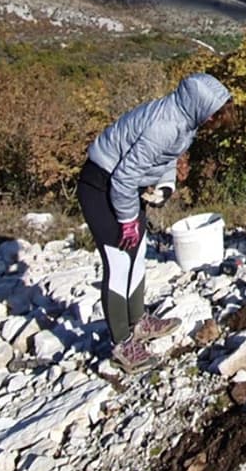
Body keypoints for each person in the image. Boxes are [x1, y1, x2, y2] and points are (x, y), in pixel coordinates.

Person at [77, 73, 235, 373]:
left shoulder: (185, 120)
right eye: (215, 112)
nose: (216, 119)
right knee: (119, 260)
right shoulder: (165, 124)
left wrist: (165, 187)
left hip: (123, 186)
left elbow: (165, 159)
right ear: (200, 104)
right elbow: (124, 177)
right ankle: (122, 343)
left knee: (136, 255)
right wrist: (126, 220)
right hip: (101, 184)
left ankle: (139, 322)